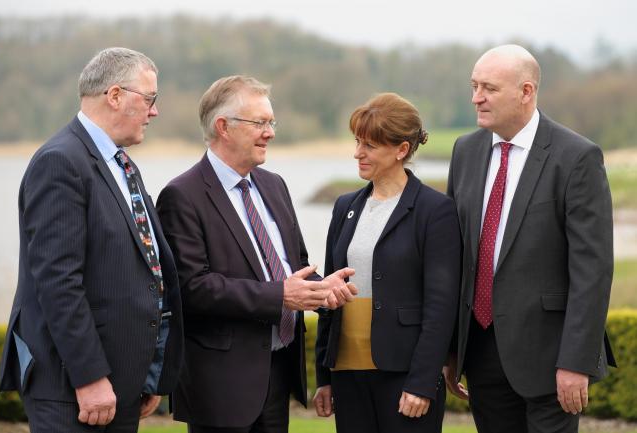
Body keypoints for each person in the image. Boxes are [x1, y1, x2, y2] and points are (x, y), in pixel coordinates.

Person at [0, 47, 184, 433]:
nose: (155, 111)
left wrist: (145, 374)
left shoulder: (120, 164)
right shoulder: (61, 162)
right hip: (75, 391)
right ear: (115, 96)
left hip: (121, 384)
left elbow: (141, 270)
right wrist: (90, 377)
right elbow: (58, 282)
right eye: (150, 99)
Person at [156, 75, 356, 433]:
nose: (270, 132)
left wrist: (320, 289)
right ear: (223, 127)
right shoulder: (181, 195)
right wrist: (281, 295)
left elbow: (292, 267)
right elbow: (191, 288)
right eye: (260, 123)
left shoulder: (273, 185)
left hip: (277, 375)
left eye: (271, 122)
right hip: (221, 387)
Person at [443, 44, 616, 433]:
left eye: (488, 87)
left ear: (526, 91)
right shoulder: (465, 151)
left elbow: (592, 270)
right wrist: (451, 349)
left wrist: (576, 361)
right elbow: (456, 258)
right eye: (473, 86)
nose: (476, 97)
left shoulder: (577, 157)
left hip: (551, 359)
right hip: (482, 354)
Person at [313, 93, 461, 433]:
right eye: (357, 142)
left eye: (370, 145)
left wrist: (423, 382)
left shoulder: (434, 211)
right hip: (347, 375)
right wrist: (324, 375)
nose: (358, 153)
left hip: (405, 376)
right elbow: (330, 292)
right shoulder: (344, 206)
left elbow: (441, 306)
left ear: (401, 150)